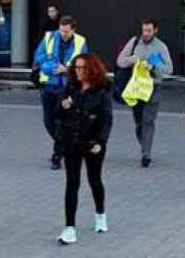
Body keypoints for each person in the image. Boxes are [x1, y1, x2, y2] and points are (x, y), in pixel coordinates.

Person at [56, 53, 113, 245]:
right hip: (72, 142)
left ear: (91, 69)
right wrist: (64, 106)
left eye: (82, 68)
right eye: (76, 68)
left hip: (92, 143)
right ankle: (69, 227)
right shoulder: (71, 88)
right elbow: (59, 114)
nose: (78, 71)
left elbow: (106, 120)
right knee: (72, 183)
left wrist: (101, 142)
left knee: (94, 179)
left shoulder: (101, 92)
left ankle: (100, 214)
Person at [116, 18, 172, 168]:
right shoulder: (134, 42)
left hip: (153, 89)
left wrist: (153, 68)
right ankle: (144, 144)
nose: (145, 34)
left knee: (148, 121)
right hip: (136, 88)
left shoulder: (161, 47)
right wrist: (132, 60)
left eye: (149, 31)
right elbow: (120, 61)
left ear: (155, 30)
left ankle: (146, 154)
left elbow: (168, 70)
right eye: (144, 30)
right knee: (139, 122)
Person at [34, 15, 88, 169]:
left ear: (73, 30)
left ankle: (57, 156)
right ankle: (67, 145)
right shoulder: (49, 37)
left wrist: (67, 69)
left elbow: (84, 65)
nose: (63, 34)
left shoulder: (80, 42)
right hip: (48, 86)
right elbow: (38, 56)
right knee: (48, 121)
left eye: (66, 32)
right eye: (61, 30)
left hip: (67, 87)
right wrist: (49, 64)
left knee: (62, 122)